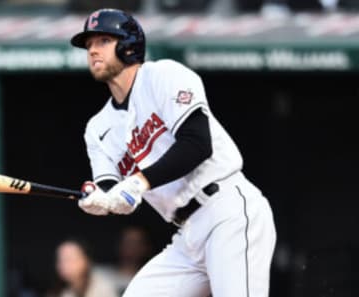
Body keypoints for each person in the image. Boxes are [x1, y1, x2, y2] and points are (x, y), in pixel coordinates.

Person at [70, 8, 277, 297]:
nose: (93, 50)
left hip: (226, 209)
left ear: (129, 45)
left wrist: (138, 183)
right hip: (187, 235)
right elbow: (111, 187)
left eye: (103, 40)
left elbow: (197, 143)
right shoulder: (98, 128)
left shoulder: (163, 75)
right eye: (89, 45)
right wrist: (101, 198)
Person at [46, 238, 118, 297]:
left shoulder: (103, 287)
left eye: (69, 259)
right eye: (60, 259)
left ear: (86, 260)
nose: (63, 264)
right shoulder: (60, 291)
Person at [95, 226, 153, 295]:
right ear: (119, 245)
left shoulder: (153, 280)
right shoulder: (99, 274)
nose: (131, 247)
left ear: (146, 248)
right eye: (128, 242)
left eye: (136, 243)